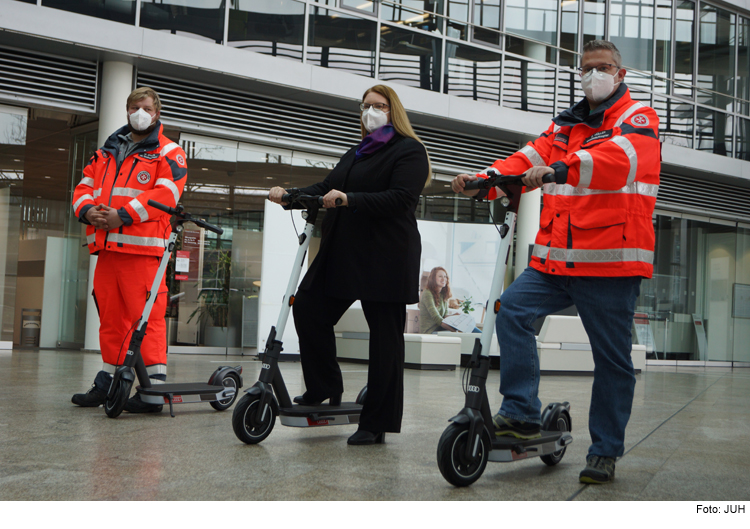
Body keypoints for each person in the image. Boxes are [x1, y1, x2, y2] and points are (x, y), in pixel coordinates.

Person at [452, 40, 660, 484]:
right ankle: (521, 413)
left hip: (609, 264)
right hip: (554, 261)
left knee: (611, 361)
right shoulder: (564, 126)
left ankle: (604, 450)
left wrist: (564, 168)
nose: (593, 75)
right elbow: (524, 160)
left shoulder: (636, 117)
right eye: (586, 68)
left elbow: (622, 159)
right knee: (511, 312)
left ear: (620, 74)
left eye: (603, 67)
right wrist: (483, 181)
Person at [268, 84, 430, 445]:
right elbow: (327, 186)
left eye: (378, 106)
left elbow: (401, 199)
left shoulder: (409, 151)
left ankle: (378, 422)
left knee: (385, 339)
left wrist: (350, 198)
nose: (370, 111)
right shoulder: (356, 152)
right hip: (343, 251)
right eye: (365, 106)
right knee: (308, 307)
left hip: (386, 254)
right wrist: (291, 196)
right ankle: (324, 385)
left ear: (393, 111)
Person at [71, 87, 188, 413]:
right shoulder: (105, 152)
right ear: (126, 111)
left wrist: (121, 216)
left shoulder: (169, 153)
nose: (140, 112)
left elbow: (166, 196)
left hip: (143, 253)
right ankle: (107, 383)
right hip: (108, 251)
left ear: (156, 112)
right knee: (111, 321)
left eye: (146, 107)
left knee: (146, 320)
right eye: (134, 107)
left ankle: (153, 393)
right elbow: (82, 189)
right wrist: (88, 211)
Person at [419, 267, 479, 334]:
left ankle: (483, 337)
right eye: (440, 276)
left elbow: (444, 316)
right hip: (430, 331)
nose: (443, 279)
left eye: (445, 277)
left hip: (440, 328)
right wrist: (455, 332)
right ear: (433, 278)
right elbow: (437, 318)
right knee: (463, 333)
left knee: (470, 328)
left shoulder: (443, 294)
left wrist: (454, 315)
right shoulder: (428, 293)